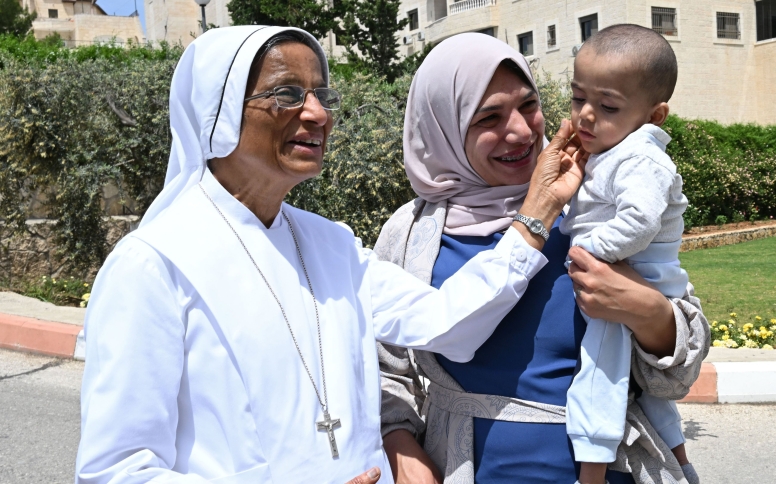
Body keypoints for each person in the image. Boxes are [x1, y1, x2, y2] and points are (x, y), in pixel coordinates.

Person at [74, 26, 584, 484]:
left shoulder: (330, 244)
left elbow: (450, 326)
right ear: (219, 112)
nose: (317, 114)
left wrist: (532, 219)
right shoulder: (153, 264)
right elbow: (115, 470)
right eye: (287, 94)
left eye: (320, 93)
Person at [375, 33, 711, 484]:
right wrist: (402, 449)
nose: (520, 130)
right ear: (444, 126)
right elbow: (381, 370)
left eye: (528, 105)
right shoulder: (412, 232)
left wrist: (650, 314)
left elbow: (679, 372)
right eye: (488, 116)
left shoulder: (594, 202)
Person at [560, 25, 698, 484]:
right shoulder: (611, 149)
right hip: (634, 274)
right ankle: (680, 461)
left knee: (600, 377)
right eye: (578, 97)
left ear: (655, 115)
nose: (586, 116)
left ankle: (592, 473)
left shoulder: (641, 157)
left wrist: (585, 251)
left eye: (608, 106)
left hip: (636, 278)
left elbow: (639, 222)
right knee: (649, 392)